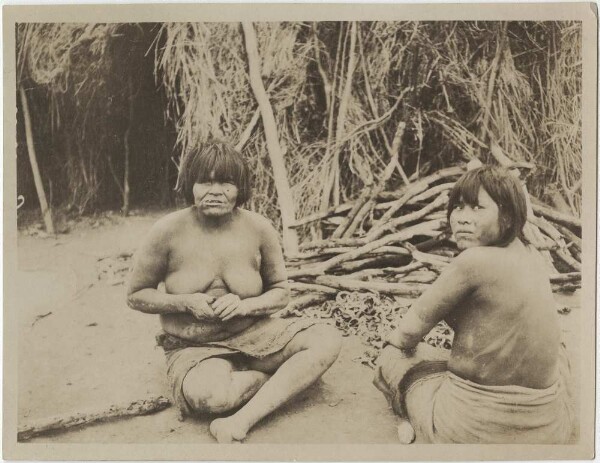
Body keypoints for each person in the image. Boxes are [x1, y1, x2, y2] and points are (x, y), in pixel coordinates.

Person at [127, 141, 341, 443]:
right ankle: (283, 381)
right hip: (195, 346)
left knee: (326, 339)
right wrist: (186, 302)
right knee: (211, 398)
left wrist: (244, 307)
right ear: (190, 185)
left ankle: (243, 418)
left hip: (257, 334)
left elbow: (281, 293)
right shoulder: (166, 231)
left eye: (226, 182)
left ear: (240, 188)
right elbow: (136, 295)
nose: (215, 191)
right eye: (205, 181)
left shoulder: (260, 229)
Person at [373, 165, 574, 444]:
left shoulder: (472, 262)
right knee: (560, 354)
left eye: (477, 208)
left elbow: (405, 335)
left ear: (506, 216)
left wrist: (395, 345)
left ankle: (413, 422)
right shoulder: (532, 255)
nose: (463, 219)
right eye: (458, 208)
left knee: (391, 358)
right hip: (550, 427)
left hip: (474, 428)